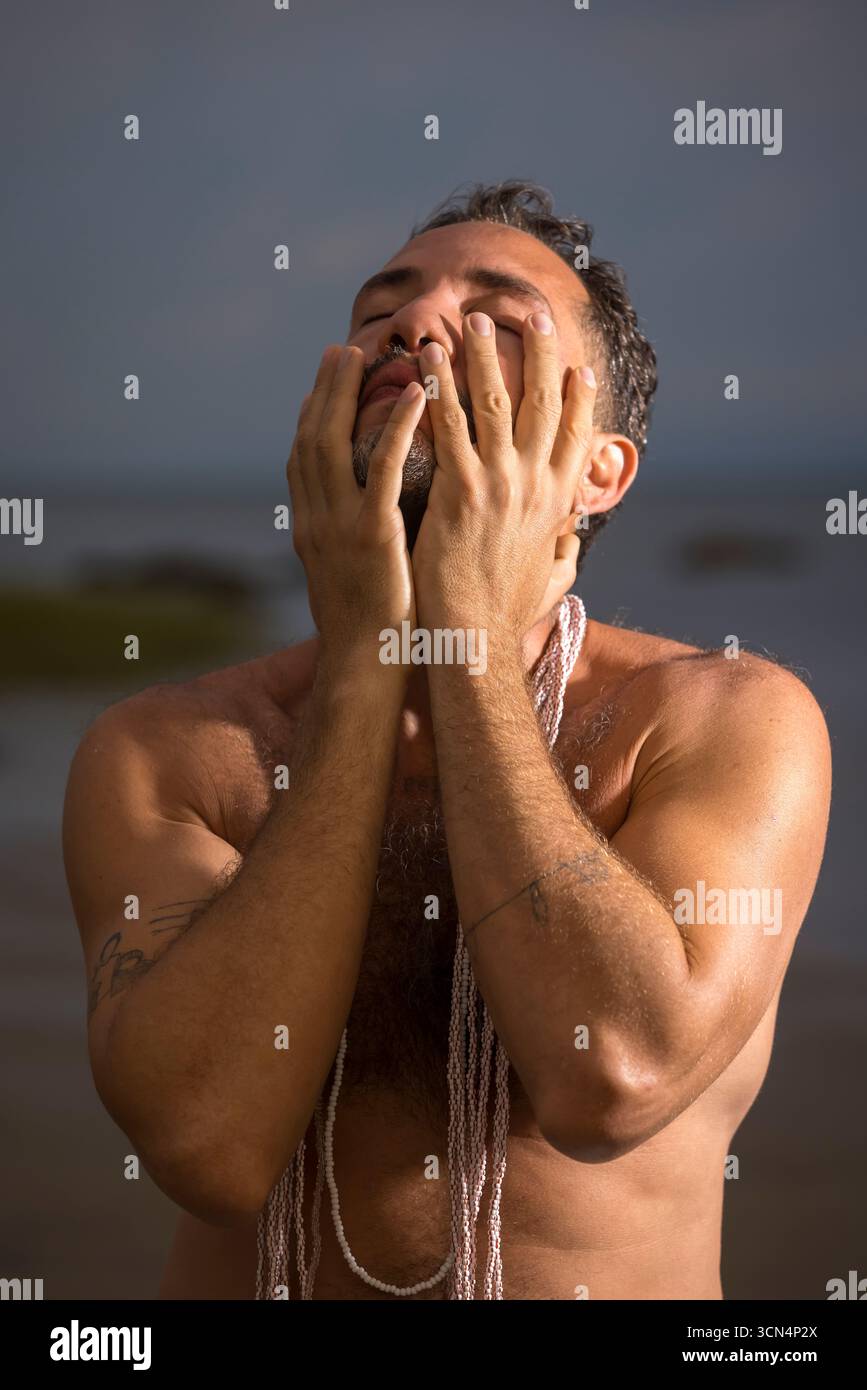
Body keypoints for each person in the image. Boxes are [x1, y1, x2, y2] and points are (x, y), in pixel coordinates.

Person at [63, 181, 831, 1300]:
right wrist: (370, 667)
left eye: (499, 320)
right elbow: (206, 1140)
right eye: (382, 312)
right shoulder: (172, 751)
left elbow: (611, 1072)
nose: (412, 328)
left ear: (599, 470)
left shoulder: (723, 720)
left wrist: (466, 630)